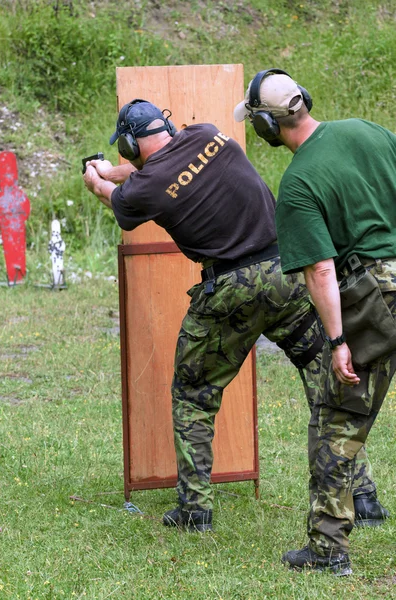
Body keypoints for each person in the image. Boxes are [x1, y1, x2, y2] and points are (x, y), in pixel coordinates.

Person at [83, 98, 385, 538]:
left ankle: (195, 508)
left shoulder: (146, 188)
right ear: (166, 126)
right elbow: (158, 174)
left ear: (129, 145)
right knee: (329, 385)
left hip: (229, 290)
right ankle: (363, 497)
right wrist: (114, 171)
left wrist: (97, 178)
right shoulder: (207, 135)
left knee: (194, 393)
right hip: (287, 275)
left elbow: (126, 196)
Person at [234, 68, 396, 575]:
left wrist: (339, 340)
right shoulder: (367, 131)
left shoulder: (299, 180)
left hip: (373, 296)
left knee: (337, 421)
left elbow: (321, 269)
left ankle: (328, 549)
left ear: (266, 124)